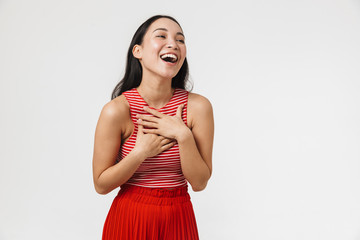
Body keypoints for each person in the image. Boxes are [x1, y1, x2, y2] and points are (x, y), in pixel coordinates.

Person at [92, 15, 214, 239]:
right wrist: (140, 153)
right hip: (130, 217)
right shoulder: (117, 111)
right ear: (137, 51)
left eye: (180, 40)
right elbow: (101, 185)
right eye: (161, 36)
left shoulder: (198, 107)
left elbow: (199, 182)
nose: (173, 44)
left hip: (179, 216)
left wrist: (183, 135)